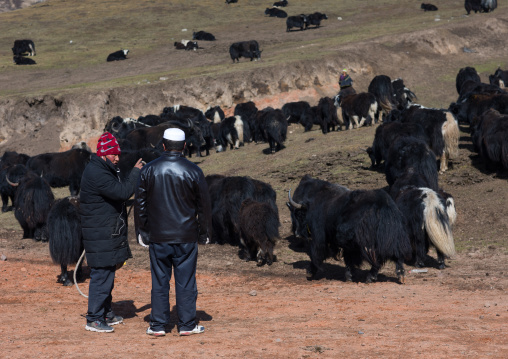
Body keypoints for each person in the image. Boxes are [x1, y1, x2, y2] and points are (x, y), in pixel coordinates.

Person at [134, 127, 212, 337]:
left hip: (158, 237)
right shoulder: (194, 171)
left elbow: (140, 204)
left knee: (159, 280)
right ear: (185, 146)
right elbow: (204, 206)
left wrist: (142, 231)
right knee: (186, 280)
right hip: (186, 236)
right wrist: (204, 232)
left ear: (163, 145)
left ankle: (158, 325)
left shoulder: (148, 170)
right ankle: (187, 325)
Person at [80, 132, 143, 333]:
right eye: (114, 154)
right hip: (101, 233)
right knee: (101, 275)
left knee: (107, 273)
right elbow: (123, 192)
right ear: (104, 154)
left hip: (104, 230)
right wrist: (135, 173)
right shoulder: (97, 173)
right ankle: (94, 318)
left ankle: (105, 312)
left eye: (118, 154)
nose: (117, 158)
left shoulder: (102, 168)